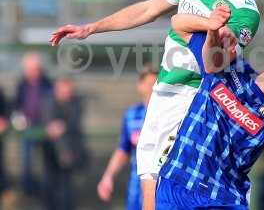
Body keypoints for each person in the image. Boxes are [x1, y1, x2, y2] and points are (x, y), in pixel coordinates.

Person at [50, 0, 261, 209]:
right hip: (164, 90)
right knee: (148, 173)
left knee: (167, 185)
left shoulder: (245, 13)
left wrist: (213, 28)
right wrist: (91, 28)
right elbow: (149, 9)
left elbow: (216, 63)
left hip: (196, 98)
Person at [155, 13, 264, 209]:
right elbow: (178, 24)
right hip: (178, 184)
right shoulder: (230, 64)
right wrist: (212, 25)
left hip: (223, 199)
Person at [97, 68, 157, 210]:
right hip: (136, 184)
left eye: (155, 83)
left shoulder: (168, 115)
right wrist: (108, 176)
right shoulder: (132, 114)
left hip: (158, 183)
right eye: (149, 83)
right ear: (140, 85)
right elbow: (123, 149)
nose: (152, 88)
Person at [42, 77, 88, 210]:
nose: (65, 93)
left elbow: (74, 123)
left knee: (66, 188)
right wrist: (52, 127)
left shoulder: (76, 103)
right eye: (62, 90)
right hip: (50, 151)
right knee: (49, 185)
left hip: (70, 151)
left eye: (68, 91)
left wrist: (62, 126)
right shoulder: (48, 102)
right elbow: (45, 120)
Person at [14, 52, 52, 195]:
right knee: (27, 160)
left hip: (44, 127)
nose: (31, 72)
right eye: (28, 69)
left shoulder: (48, 84)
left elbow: (51, 105)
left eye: (34, 69)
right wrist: (18, 118)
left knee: (46, 161)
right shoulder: (21, 84)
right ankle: (28, 190)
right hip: (27, 127)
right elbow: (17, 104)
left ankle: (46, 190)